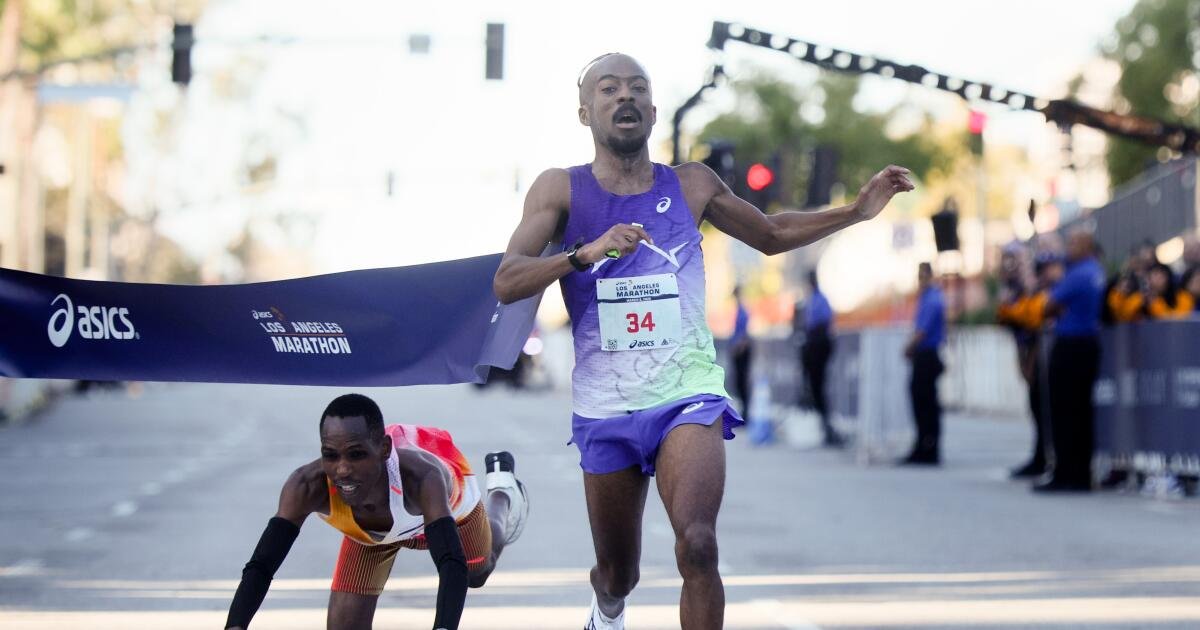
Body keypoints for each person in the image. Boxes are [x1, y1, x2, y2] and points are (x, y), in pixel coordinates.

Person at [491, 53, 912, 630]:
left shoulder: (690, 185)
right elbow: (507, 280)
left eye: (637, 87)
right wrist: (583, 254)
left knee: (699, 544)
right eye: (608, 89)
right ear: (585, 112)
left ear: (654, 109)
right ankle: (607, 610)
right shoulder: (559, 190)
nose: (625, 97)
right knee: (619, 572)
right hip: (605, 405)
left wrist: (858, 212)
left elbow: (769, 233)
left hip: (685, 393)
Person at [224, 393, 528, 630]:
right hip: (371, 536)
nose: (342, 470)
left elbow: (450, 563)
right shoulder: (306, 485)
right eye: (331, 456)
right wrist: (235, 624)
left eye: (356, 455)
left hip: (446, 516)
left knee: (477, 573)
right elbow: (261, 566)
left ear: (383, 450)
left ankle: (502, 491)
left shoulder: (422, 477)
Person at [1036, 230, 1105, 493]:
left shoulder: (1079, 274)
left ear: (1087, 246)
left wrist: (1057, 305)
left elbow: (1048, 306)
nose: (1069, 248)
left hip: (1071, 345)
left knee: (1065, 411)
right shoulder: (1094, 270)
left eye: (1074, 243)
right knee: (1082, 412)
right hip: (1087, 345)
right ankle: (1081, 473)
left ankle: (1066, 472)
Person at [902, 262, 946, 465]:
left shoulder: (932, 299)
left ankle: (929, 447)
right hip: (924, 354)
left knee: (926, 403)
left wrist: (908, 348)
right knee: (922, 402)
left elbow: (922, 331)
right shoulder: (926, 298)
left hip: (927, 354)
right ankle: (923, 444)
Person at [800, 269, 843, 447]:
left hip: (818, 344)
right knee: (814, 386)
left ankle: (827, 427)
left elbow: (822, 323)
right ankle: (823, 427)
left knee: (818, 386)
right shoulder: (811, 300)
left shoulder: (820, 300)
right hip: (812, 344)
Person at [729, 286, 752, 407]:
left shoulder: (742, 311)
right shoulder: (740, 310)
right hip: (739, 350)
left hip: (741, 351)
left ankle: (746, 409)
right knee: (739, 381)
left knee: (742, 381)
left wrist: (738, 348)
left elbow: (743, 335)